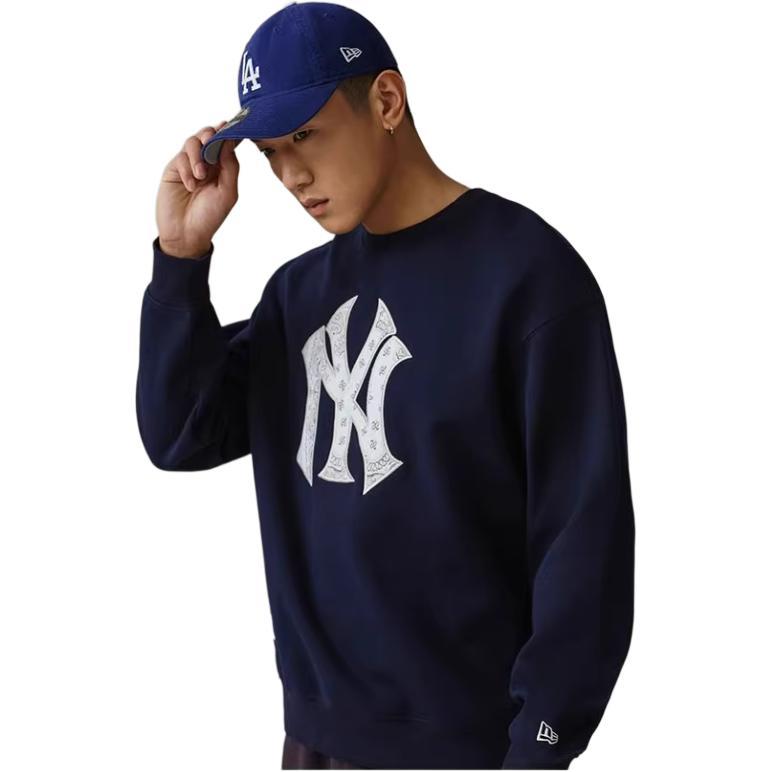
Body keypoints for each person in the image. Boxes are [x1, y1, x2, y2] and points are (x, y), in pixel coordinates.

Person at [136, 2, 635, 769]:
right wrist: (179, 256)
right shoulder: (295, 300)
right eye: (270, 152)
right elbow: (178, 434)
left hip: (475, 752)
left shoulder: (527, 279)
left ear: (387, 101)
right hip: (315, 747)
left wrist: (541, 744)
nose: (291, 175)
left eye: (305, 136)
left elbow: (584, 540)